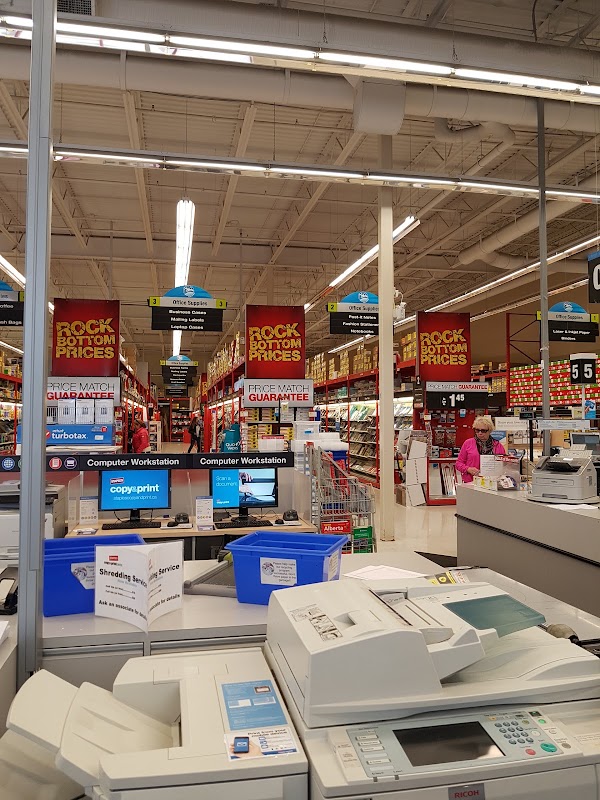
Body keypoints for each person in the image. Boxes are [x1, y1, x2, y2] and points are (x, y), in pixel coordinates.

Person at [455, 416, 505, 483]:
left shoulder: (498, 446)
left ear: (489, 431)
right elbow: (458, 463)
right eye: (477, 430)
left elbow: (504, 465)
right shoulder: (468, 443)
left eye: (483, 431)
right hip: (471, 482)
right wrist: (468, 469)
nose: (480, 433)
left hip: (492, 482)